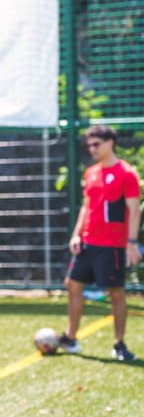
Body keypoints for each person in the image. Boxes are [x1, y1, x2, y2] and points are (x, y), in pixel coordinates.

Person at [60, 124, 142, 361]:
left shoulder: (127, 173)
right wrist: (76, 234)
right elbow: (86, 207)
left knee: (116, 292)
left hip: (112, 245)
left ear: (110, 143)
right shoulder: (91, 172)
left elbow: (134, 210)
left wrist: (132, 242)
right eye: (90, 145)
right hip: (88, 242)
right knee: (72, 284)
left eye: (97, 144)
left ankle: (119, 344)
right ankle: (71, 336)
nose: (92, 149)